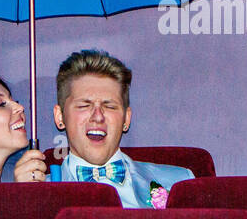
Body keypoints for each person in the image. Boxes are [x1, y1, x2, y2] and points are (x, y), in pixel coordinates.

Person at [52, 50, 193, 208]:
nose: (98, 117)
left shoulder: (179, 183)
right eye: (84, 105)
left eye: (110, 106)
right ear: (60, 116)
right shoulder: (38, 192)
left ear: (126, 118)